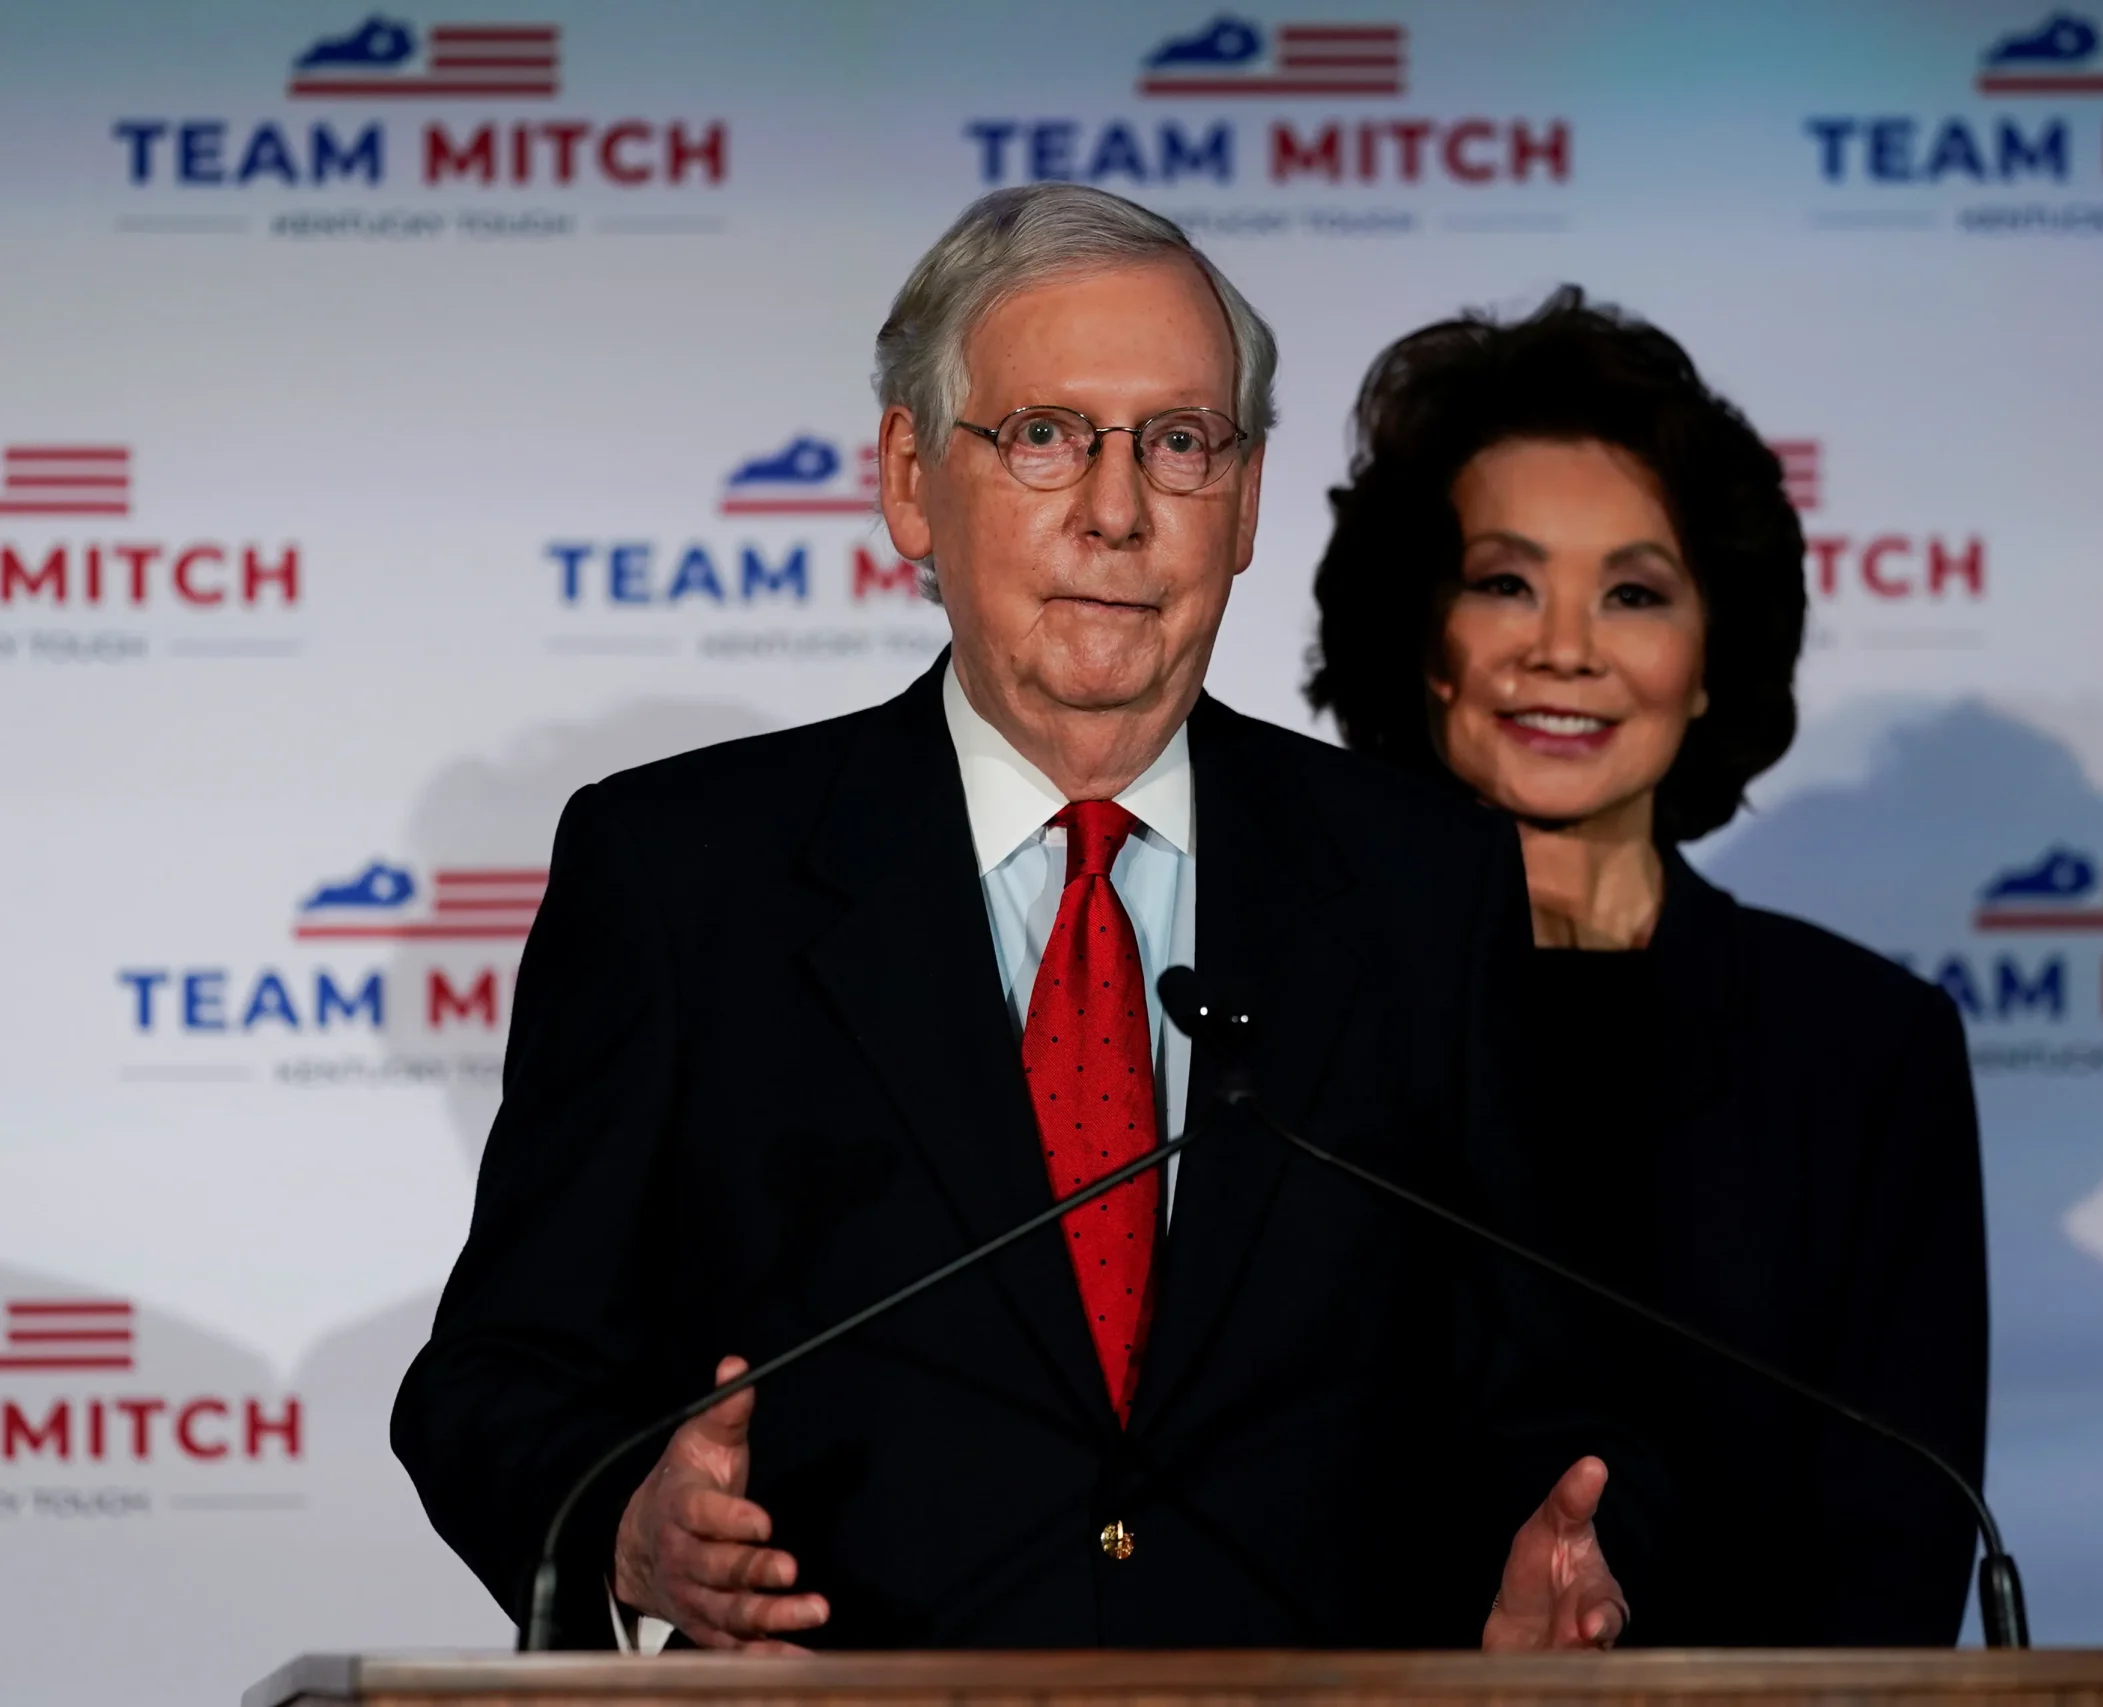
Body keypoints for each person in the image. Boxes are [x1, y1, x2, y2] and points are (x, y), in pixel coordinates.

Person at [392, 189, 1648, 1654]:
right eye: (1046, 435)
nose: (1117, 511)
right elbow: (497, 1379)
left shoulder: (1421, 883)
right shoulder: (684, 877)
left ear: (1243, 502)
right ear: (913, 479)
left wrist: (1557, 1560)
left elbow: (1544, 1386)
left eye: (1179, 443)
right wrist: (632, 1528)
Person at [1305, 287, 1988, 1645]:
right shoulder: (1284, 1012)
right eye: (1504, 581)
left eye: (1634, 592)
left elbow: (1895, 1544)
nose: (1564, 647)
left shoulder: (1862, 1046)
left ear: (1711, 659)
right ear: (1417, 641)